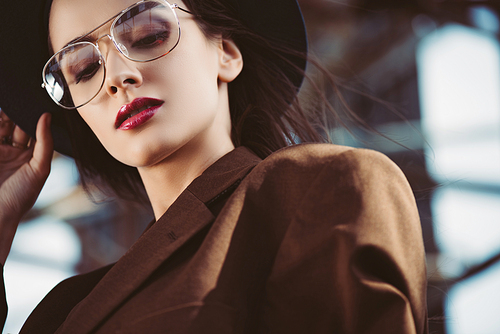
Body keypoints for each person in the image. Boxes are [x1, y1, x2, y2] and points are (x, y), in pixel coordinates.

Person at [0, 0, 429, 333]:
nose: (117, 76)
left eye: (148, 34)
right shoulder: (59, 313)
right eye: (84, 68)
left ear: (226, 52)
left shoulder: (324, 186)